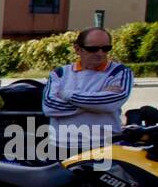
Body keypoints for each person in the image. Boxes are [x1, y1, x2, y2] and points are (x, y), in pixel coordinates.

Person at [42, 26, 132, 160]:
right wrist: (97, 97)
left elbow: (110, 103)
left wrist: (67, 95)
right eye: (93, 49)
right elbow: (50, 108)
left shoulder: (120, 72)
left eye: (106, 48)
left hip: (102, 146)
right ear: (77, 49)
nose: (100, 53)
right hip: (61, 146)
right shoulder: (59, 73)